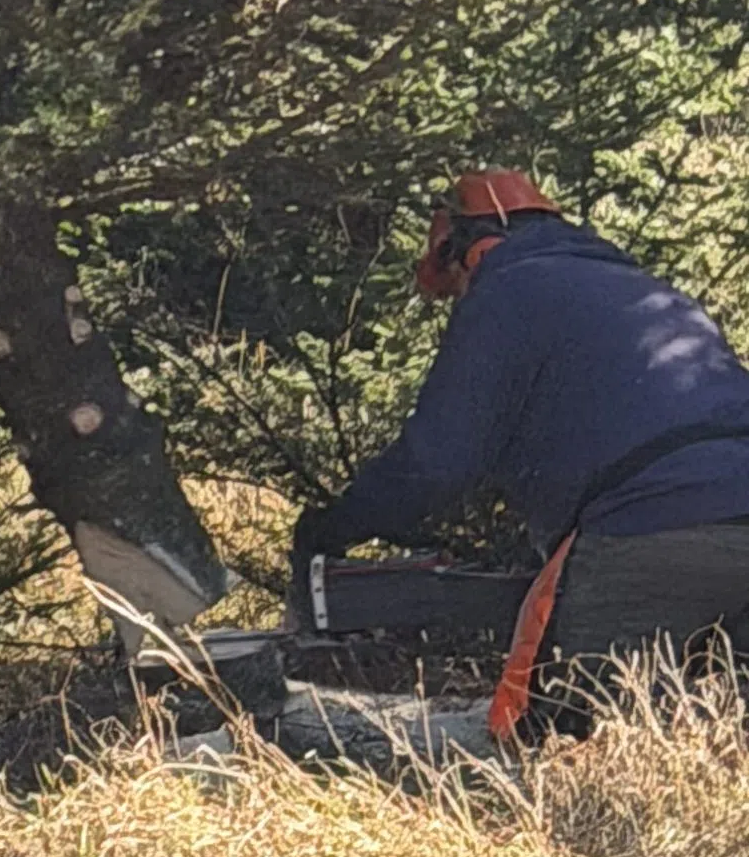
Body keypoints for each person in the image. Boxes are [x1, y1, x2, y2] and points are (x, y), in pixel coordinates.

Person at [291, 171, 749, 734]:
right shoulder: (649, 292)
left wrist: (333, 528)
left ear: (465, 251)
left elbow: (437, 462)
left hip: (649, 527)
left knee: (566, 739)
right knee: (728, 740)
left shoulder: (507, 291)